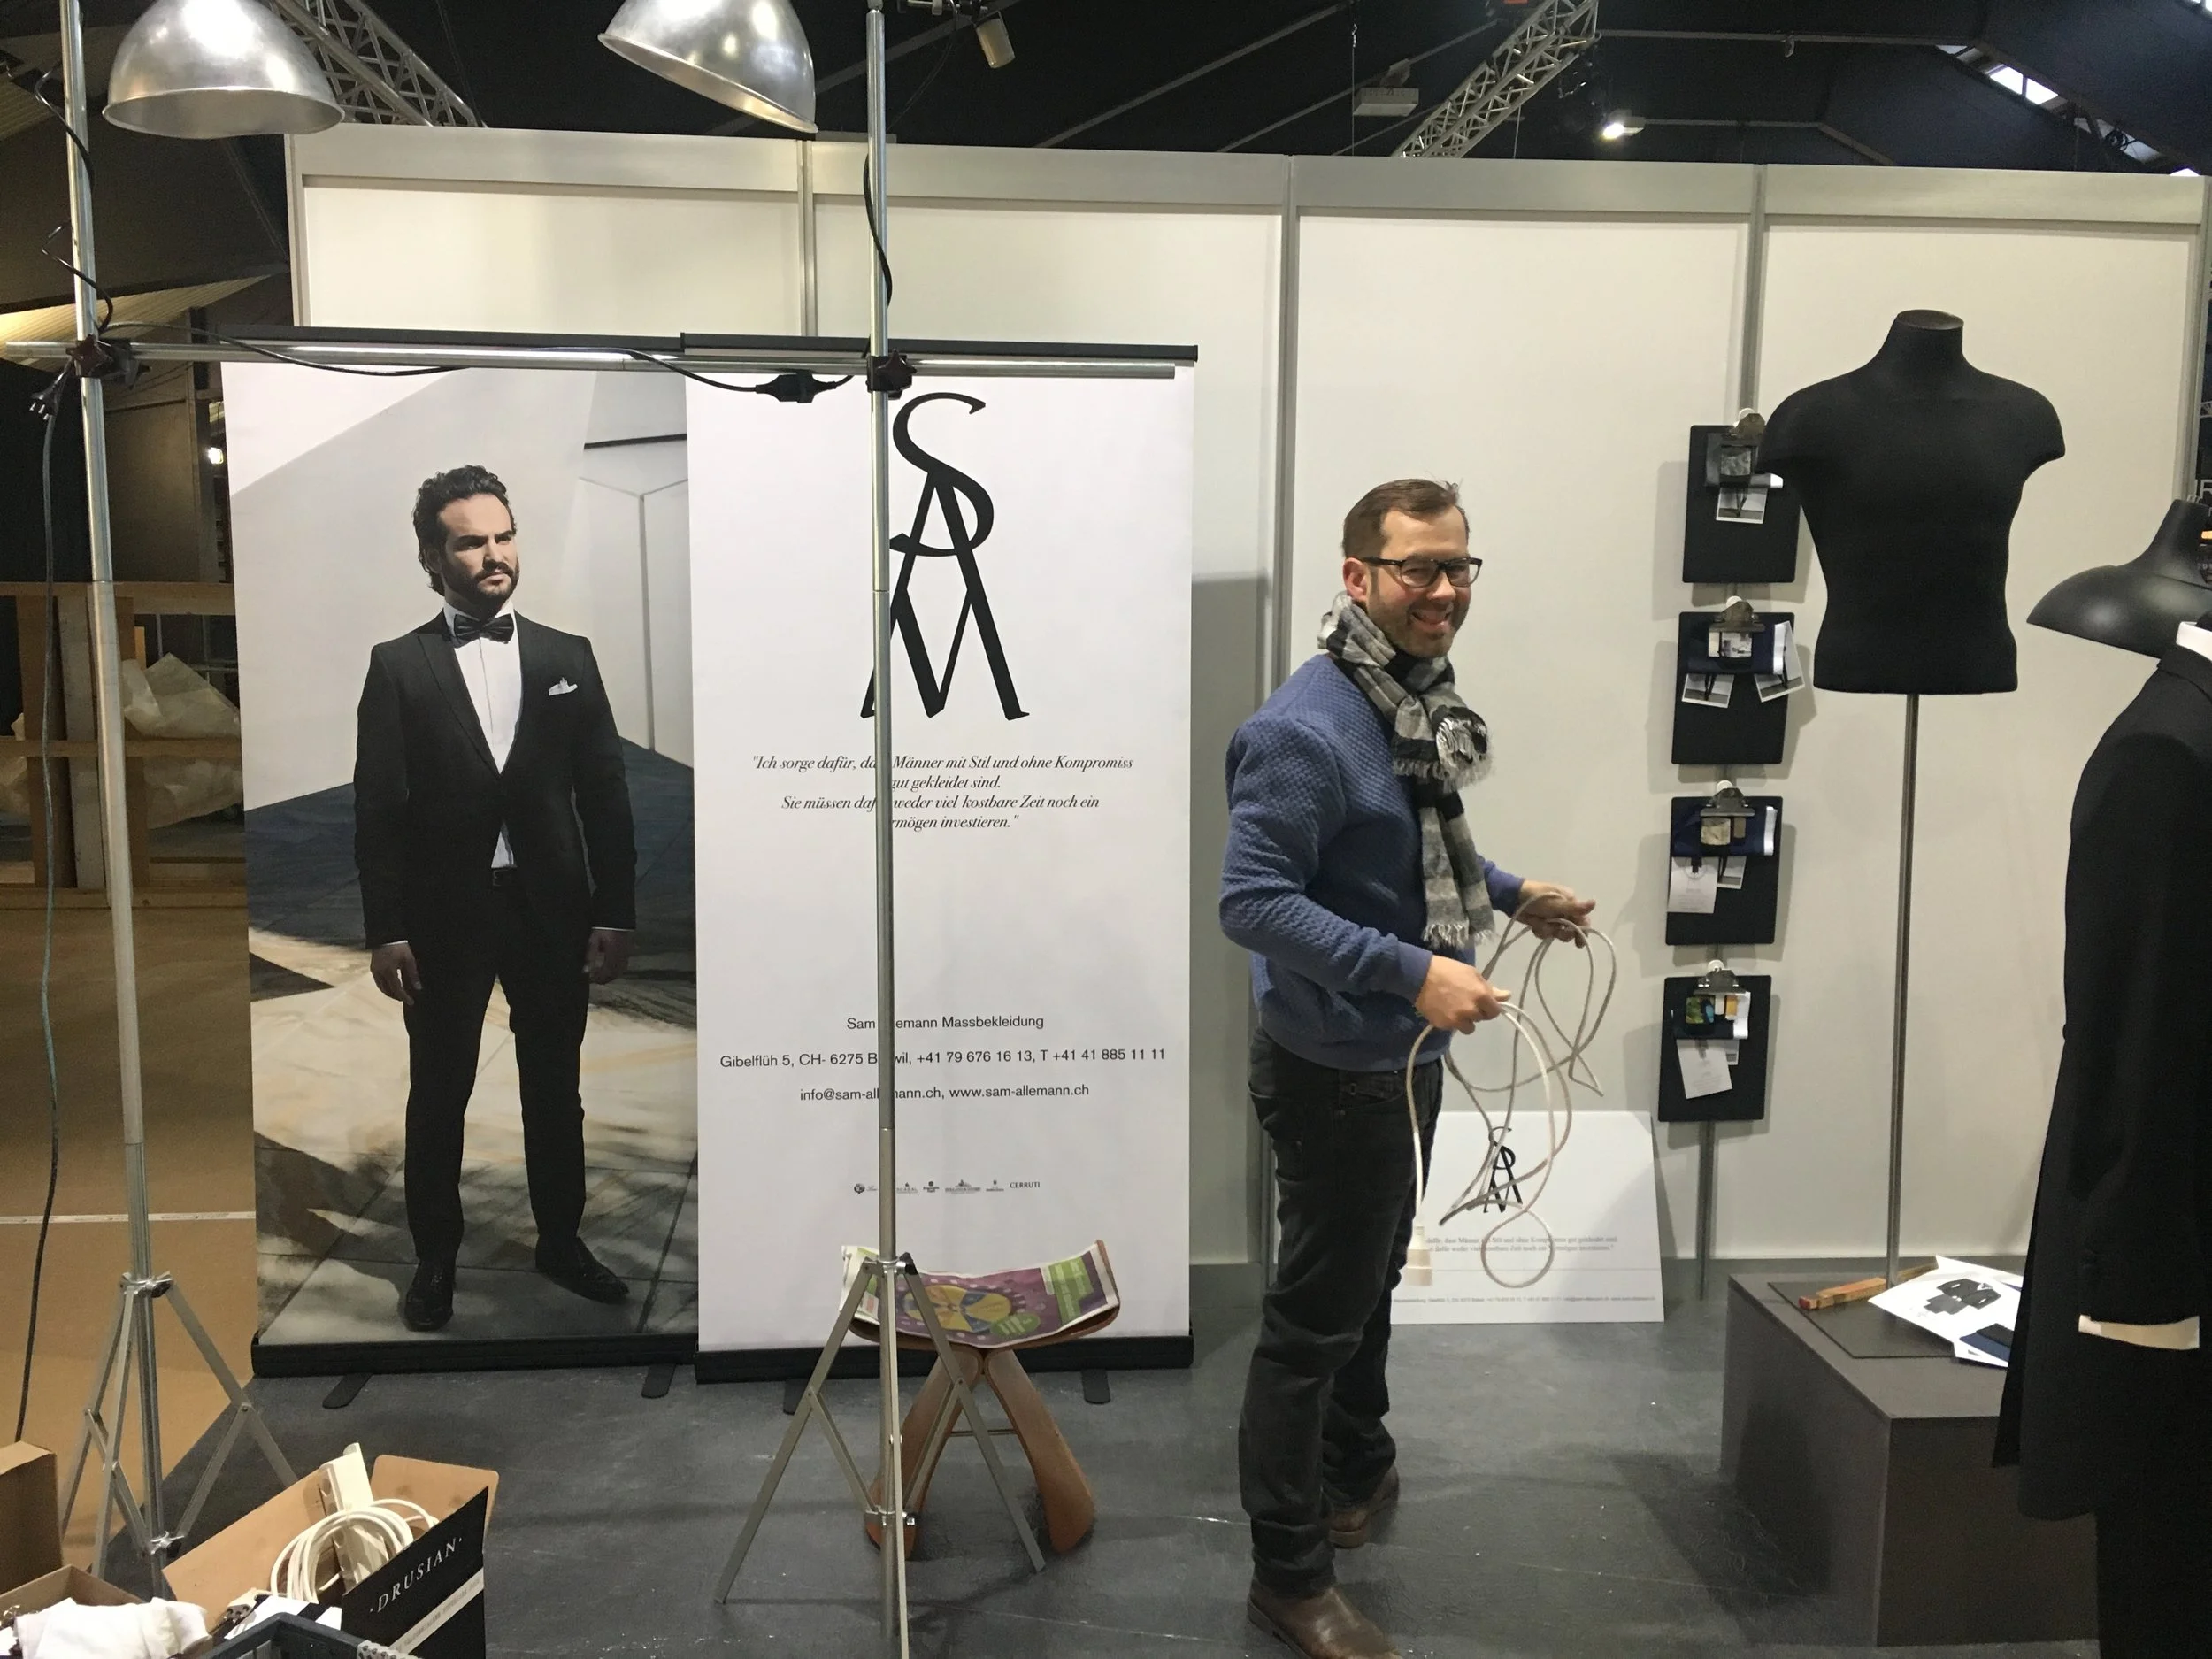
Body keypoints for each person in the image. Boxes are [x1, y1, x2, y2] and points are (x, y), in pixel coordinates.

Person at [1220, 478, 1594, 1659]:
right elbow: (1253, 901)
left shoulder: (1409, 696)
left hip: (1398, 1053)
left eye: (1458, 567)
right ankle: (1288, 1576)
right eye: (1417, 569)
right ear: (1358, 577)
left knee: (1373, 1276)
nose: (1443, 590)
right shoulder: (1304, 729)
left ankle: (1356, 1463)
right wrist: (1411, 971)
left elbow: (1397, 854)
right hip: (1337, 1068)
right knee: (1311, 1326)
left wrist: (1509, 892)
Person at [355, 465, 638, 1333]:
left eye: (504, 536)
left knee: (554, 1088)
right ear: (431, 559)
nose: (493, 555)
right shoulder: (397, 667)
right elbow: (378, 811)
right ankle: (435, 1257)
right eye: (471, 542)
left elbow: (605, 793)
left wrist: (614, 909)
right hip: (445, 916)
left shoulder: (566, 657)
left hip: (551, 911)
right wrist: (386, 928)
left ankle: (562, 1241)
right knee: (439, 1092)